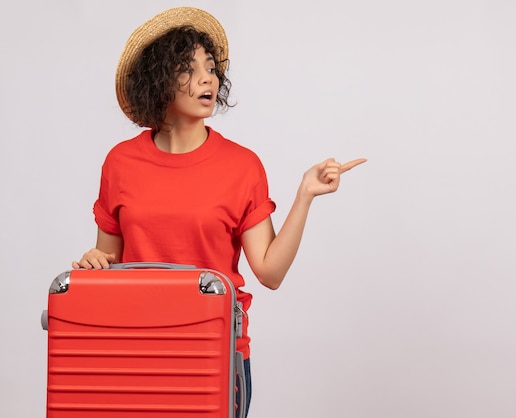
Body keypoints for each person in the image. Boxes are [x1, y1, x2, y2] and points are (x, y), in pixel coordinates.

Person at [72, 6, 365, 416]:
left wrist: (305, 195)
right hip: (136, 345)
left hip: (215, 348)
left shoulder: (242, 166)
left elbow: (270, 272)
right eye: (189, 69)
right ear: (158, 80)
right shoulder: (120, 163)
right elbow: (111, 264)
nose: (207, 78)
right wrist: (93, 264)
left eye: (211, 68)